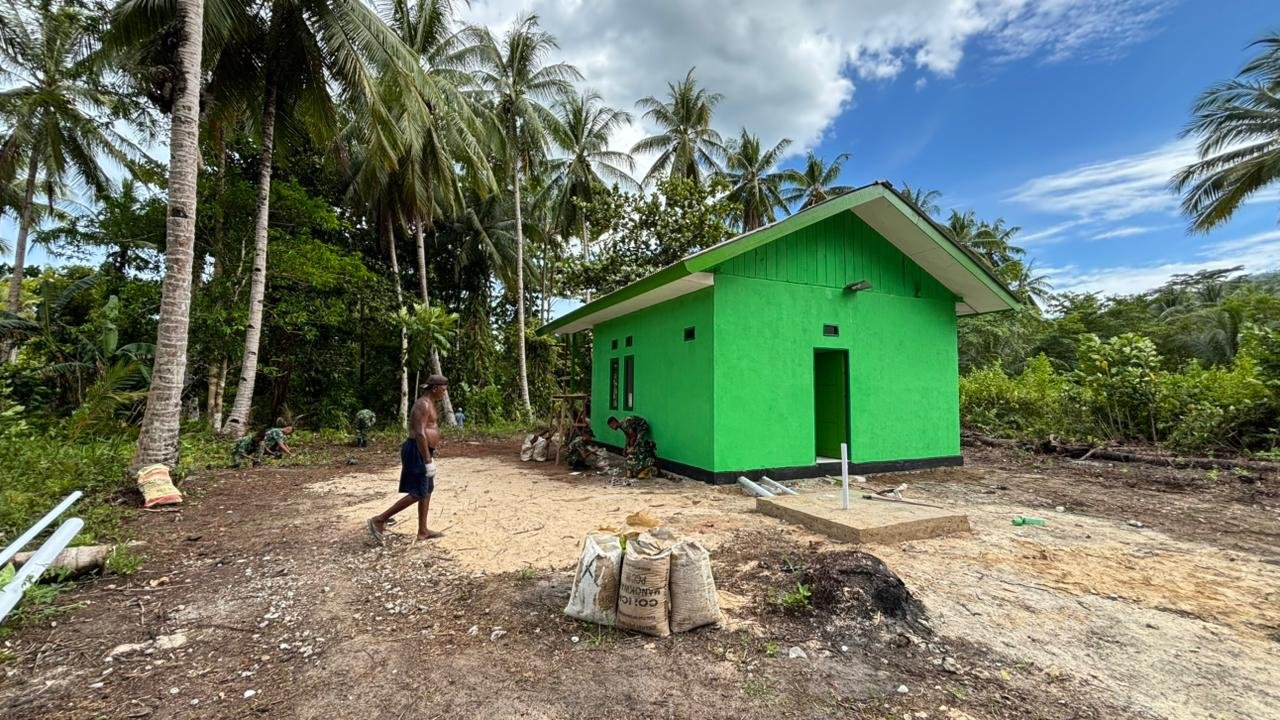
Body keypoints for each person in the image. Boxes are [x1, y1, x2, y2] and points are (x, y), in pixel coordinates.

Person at [368, 375, 448, 543]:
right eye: (443, 389)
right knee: (418, 492)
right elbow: (419, 433)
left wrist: (430, 452)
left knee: (427, 489)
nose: (444, 392)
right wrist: (427, 460)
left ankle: (423, 530)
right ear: (435, 388)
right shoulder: (423, 404)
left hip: (424, 450)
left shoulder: (430, 403)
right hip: (416, 450)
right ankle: (379, 520)